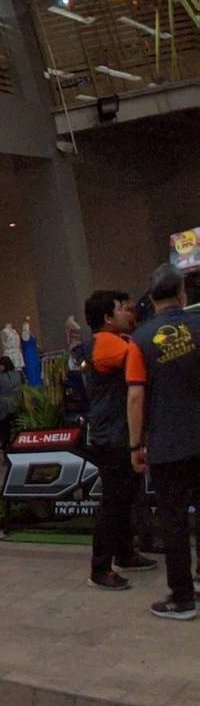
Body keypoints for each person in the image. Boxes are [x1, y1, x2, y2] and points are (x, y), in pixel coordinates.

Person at [131, 264, 200, 621]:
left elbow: (135, 398)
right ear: (182, 295)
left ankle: (182, 598)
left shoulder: (139, 341)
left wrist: (135, 446)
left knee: (172, 521)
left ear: (151, 299)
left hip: (167, 446)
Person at [82, 289, 158, 590]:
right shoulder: (105, 343)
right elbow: (143, 356)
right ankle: (100, 569)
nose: (129, 312)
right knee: (114, 501)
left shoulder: (118, 341)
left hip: (120, 433)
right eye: (123, 308)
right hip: (112, 436)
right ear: (107, 317)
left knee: (125, 497)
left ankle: (125, 553)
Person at [0, 356, 23, 451]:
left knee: (4, 429)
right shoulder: (19, 374)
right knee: (17, 427)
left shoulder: (0, 378)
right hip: (17, 404)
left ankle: (6, 449)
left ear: (3, 366)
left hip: (4, 407)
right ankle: (18, 446)